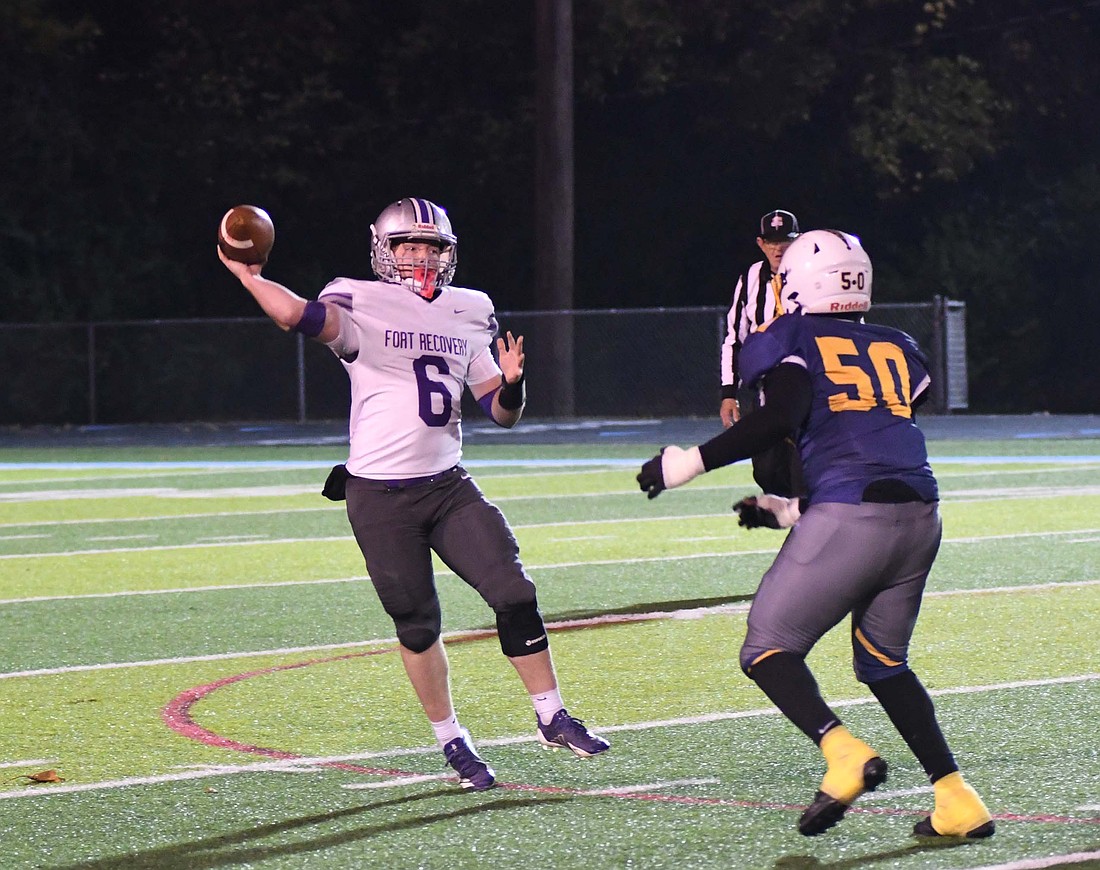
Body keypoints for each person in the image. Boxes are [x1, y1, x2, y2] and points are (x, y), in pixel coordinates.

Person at [219, 197, 609, 791]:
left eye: (433, 246)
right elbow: (296, 317)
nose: (422, 256)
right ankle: (452, 739)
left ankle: (551, 714)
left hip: (448, 485)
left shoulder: (469, 309)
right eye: (408, 246)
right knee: (418, 623)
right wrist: (252, 277)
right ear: (385, 251)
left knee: (514, 591)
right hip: (379, 495)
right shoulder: (359, 298)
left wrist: (514, 383)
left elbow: (500, 413)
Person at [637, 229, 994, 839]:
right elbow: (865, 440)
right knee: (884, 664)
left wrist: (684, 463)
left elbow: (782, 417)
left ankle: (843, 754)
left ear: (799, 281)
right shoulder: (898, 344)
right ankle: (957, 798)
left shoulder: (792, 336)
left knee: (767, 647)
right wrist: (787, 511)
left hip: (852, 516)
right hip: (920, 514)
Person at [720, 209, 805, 497]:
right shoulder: (749, 279)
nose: (779, 247)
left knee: (804, 475)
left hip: (810, 393)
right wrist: (728, 393)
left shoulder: (813, 275)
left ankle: (811, 532)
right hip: (768, 395)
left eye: (786, 240)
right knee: (767, 472)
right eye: (772, 241)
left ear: (799, 241)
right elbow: (734, 338)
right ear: (760, 243)